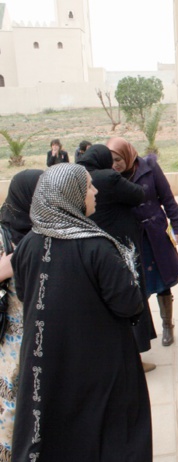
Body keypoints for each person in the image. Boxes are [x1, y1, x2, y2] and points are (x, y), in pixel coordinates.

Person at [10, 163, 151, 460]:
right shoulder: (97, 248)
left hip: (47, 364)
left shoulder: (28, 245)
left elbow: (25, 294)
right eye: (88, 186)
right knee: (109, 435)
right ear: (69, 195)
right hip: (101, 366)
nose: (95, 191)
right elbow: (129, 304)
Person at [77, 144, 155, 371]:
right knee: (130, 295)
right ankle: (134, 358)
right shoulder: (108, 178)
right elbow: (139, 194)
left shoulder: (77, 175)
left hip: (93, 246)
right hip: (121, 246)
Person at [108, 137, 178, 347]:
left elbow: (167, 198)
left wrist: (177, 227)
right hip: (131, 237)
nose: (115, 164)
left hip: (155, 234)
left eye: (118, 159)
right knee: (139, 284)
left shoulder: (149, 167)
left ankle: (168, 325)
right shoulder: (110, 178)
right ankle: (141, 332)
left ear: (127, 155)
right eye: (110, 160)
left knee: (162, 281)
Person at [0, 169, 43, 460]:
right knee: (14, 404)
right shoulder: (5, 235)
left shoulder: (44, 230)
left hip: (43, 332)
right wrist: (21, 255)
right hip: (13, 340)